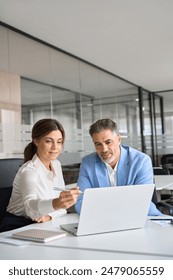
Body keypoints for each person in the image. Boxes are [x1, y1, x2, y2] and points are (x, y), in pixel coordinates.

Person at [0, 118, 80, 232]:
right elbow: (30, 208)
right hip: (17, 226)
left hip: (43, 223)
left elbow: (63, 209)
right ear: (36, 141)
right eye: (49, 141)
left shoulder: (56, 164)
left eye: (59, 141)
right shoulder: (28, 171)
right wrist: (56, 204)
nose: (55, 147)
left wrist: (50, 215)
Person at [75, 118, 162, 216]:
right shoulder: (88, 163)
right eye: (98, 144)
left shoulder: (141, 161)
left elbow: (141, 202)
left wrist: (101, 207)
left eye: (108, 142)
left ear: (118, 139)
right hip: (103, 221)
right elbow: (80, 202)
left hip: (141, 217)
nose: (104, 149)